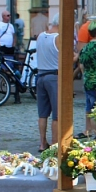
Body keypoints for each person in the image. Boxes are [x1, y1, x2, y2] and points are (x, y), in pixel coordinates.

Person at [35, 14, 62, 151]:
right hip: (54, 76)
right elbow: (68, 57)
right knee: (57, 114)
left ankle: (42, 142)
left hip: (40, 75)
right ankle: (55, 143)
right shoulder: (58, 38)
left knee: (43, 113)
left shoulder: (40, 36)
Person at [79, 22, 96, 135]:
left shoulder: (85, 48)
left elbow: (81, 66)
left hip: (88, 81)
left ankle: (92, 132)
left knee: (90, 108)